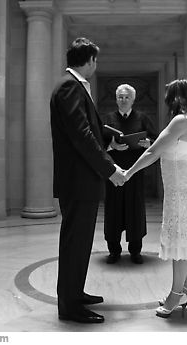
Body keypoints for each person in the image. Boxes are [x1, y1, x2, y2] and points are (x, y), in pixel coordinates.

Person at [50, 37, 126, 324]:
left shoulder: (71, 85)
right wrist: (110, 169)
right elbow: (80, 136)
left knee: (79, 243)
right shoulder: (70, 86)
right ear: (90, 60)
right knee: (75, 243)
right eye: (96, 60)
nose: (97, 65)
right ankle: (69, 306)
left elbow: (87, 132)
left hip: (80, 180)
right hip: (79, 181)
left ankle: (75, 293)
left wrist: (110, 141)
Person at [123, 79, 187, 318]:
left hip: (179, 189)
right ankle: (185, 290)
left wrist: (128, 172)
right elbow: (165, 146)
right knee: (186, 240)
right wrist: (154, 144)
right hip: (182, 187)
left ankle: (175, 295)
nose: (166, 99)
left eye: (169, 95)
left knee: (180, 242)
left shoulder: (179, 120)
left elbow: (153, 152)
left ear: (176, 96)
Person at [102, 84, 158, 265]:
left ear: (133, 99)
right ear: (116, 99)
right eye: (120, 97)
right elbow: (98, 145)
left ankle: (135, 251)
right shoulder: (108, 119)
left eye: (127, 97)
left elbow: (156, 141)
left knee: (135, 210)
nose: (123, 100)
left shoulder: (142, 118)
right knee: (113, 211)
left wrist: (147, 143)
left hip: (135, 173)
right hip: (114, 173)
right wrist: (112, 147)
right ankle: (114, 251)